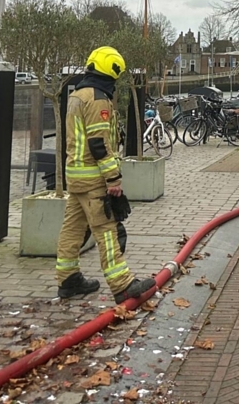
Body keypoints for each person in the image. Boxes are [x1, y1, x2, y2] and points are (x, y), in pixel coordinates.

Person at [55, 46, 156, 304]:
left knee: (73, 229)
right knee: (107, 230)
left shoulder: (77, 94)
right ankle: (121, 285)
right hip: (94, 180)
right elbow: (99, 144)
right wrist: (113, 179)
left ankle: (68, 279)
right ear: (111, 71)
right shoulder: (99, 99)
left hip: (75, 176)